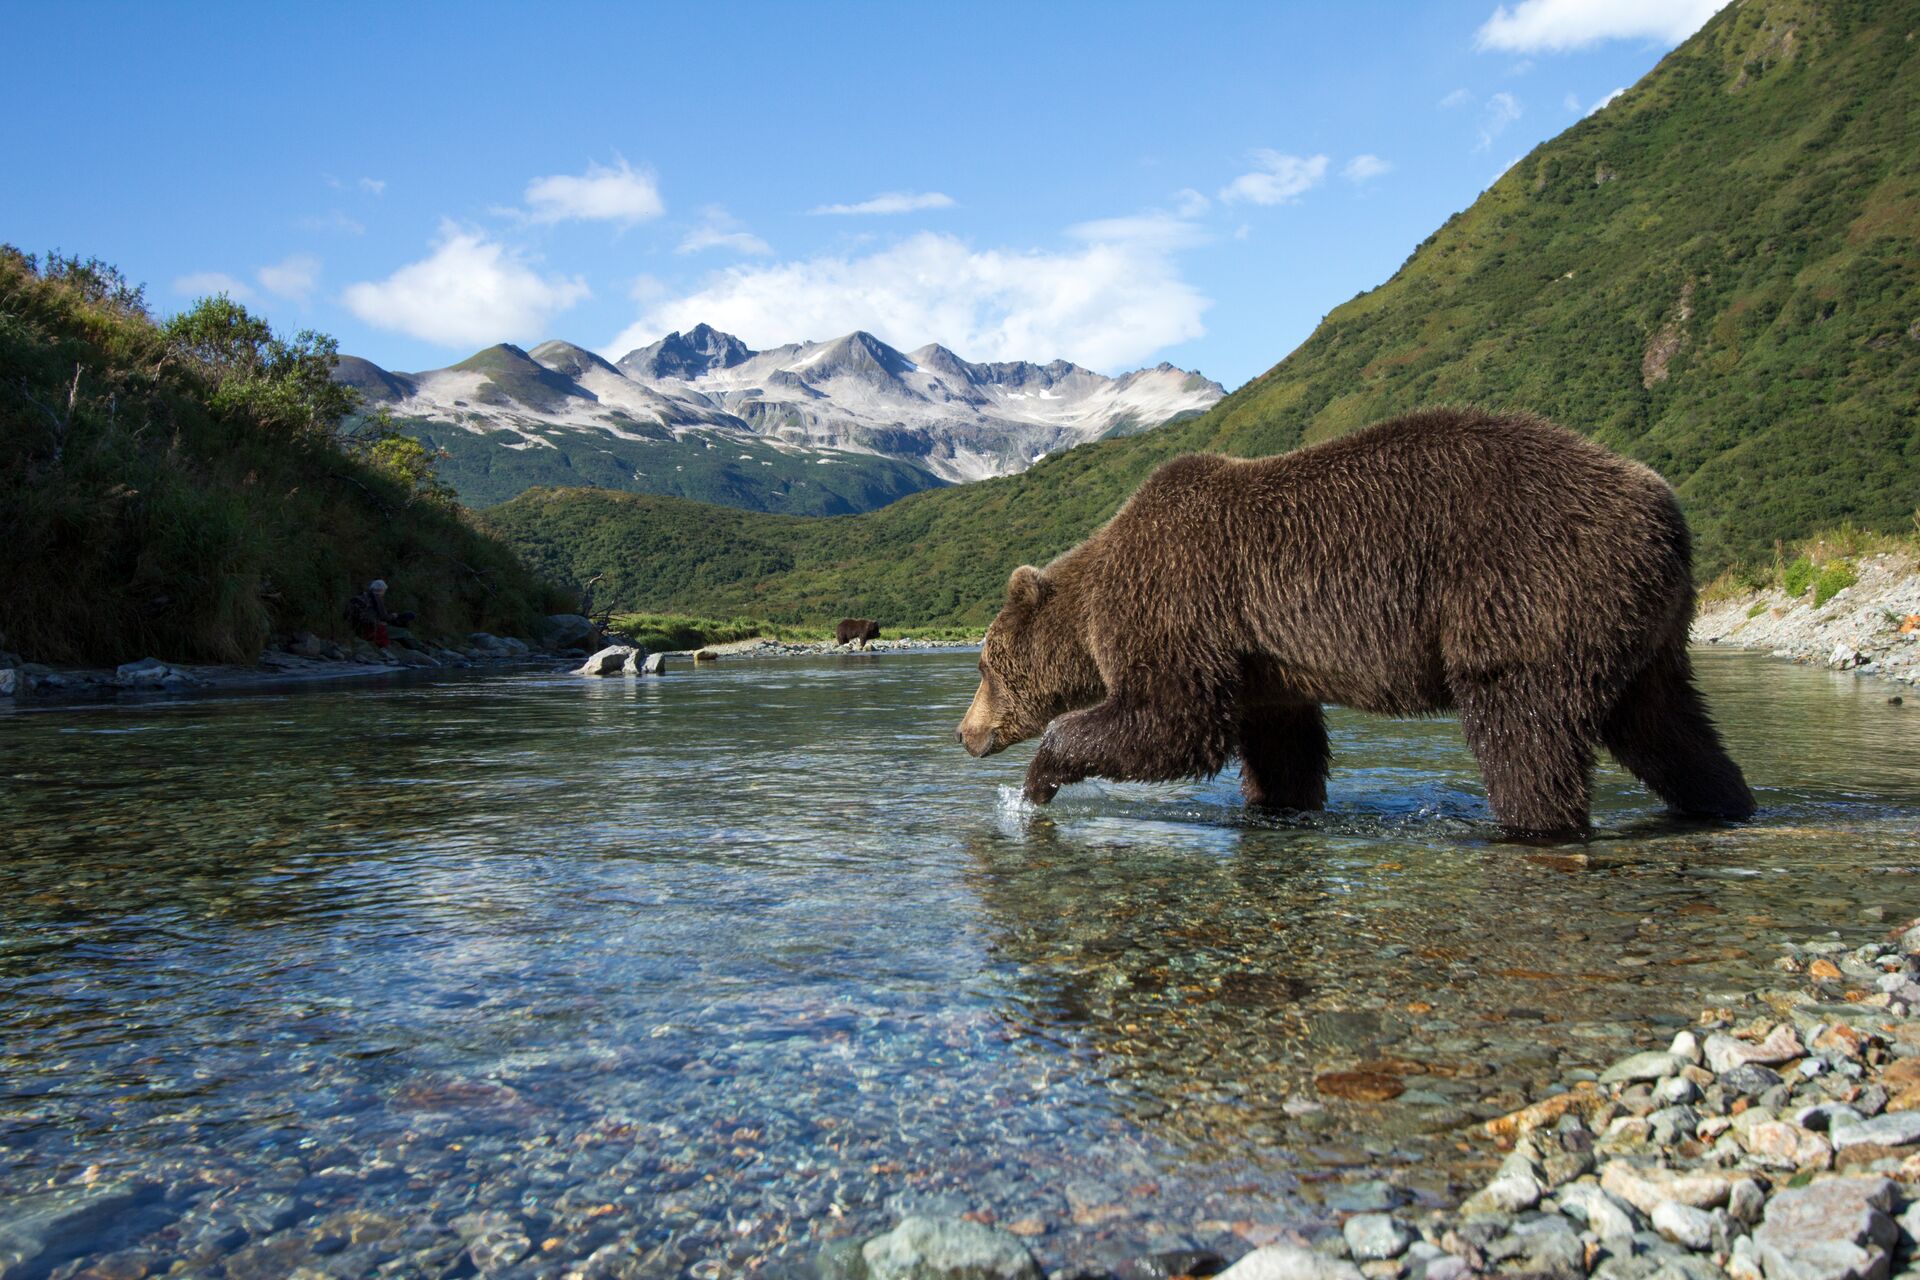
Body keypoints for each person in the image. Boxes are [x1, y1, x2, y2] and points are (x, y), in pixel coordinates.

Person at [345, 579, 415, 648]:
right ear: (382, 590)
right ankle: (421, 650)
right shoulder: (377, 598)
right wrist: (393, 616)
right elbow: (384, 617)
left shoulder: (363, 596)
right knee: (405, 633)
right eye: (384, 590)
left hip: (359, 630)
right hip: (373, 630)